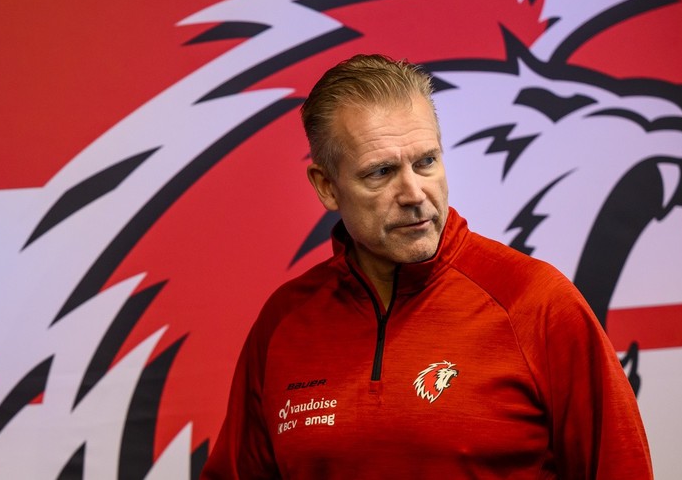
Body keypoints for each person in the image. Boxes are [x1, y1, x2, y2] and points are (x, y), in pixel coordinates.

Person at [201, 54, 652, 479]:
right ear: (327, 187)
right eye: (380, 172)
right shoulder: (284, 324)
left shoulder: (535, 303)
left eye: (426, 162)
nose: (414, 193)